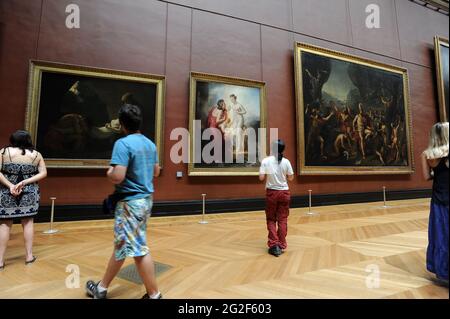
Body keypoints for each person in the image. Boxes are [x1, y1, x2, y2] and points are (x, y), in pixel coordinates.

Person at [85, 104, 162, 299]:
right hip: (145, 201)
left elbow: (117, 176)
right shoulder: (150, 144)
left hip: (130, 203)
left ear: (121, 124)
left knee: (138, 249)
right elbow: (156, 172)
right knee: (124, 246)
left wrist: (109, 172)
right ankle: (101, 289)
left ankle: (155, 295)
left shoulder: (123, 143)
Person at [0, 130, 47, 270]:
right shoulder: (36, 155)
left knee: (4, 225)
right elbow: (43, 173)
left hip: (6, 191)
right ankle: (29, 256)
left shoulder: (4, 152)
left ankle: (0, 260)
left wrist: (11, 185)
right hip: (29, 192)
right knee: (28, 223)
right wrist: (25, 182)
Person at [421, 122, 449, 286]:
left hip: (438, 199)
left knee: (441, 234)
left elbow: (426, 177)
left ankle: (443, 270)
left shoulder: (426, 154)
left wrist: (436, 172)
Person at [259, 140, 294, 257]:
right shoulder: (286, 162)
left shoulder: (266, 161)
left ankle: (274, 245)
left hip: (272, 193)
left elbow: (261, 178)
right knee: (282, 219)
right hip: (284, 192)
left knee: (271, 219)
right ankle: (282, 244)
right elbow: (291, 178)